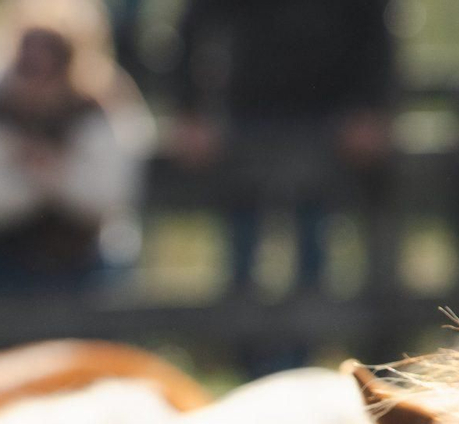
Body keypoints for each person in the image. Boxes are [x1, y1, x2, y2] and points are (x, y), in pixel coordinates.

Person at [170, 0, 396, 294]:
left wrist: (370, 107)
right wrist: (190, 110)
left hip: (327, 122)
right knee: (242, 249)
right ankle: (244, 336)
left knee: (314, 245)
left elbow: (375, 29)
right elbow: (192, 25)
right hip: (244, 118)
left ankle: (311, 334)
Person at [0, 0, 153, 295]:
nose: (39, 81)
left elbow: (110, 197)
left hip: (88, 262)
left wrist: (49, 172)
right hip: (6, 262)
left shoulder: (99, 109)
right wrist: (44, 177)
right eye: (29, 67)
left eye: (52, 63)